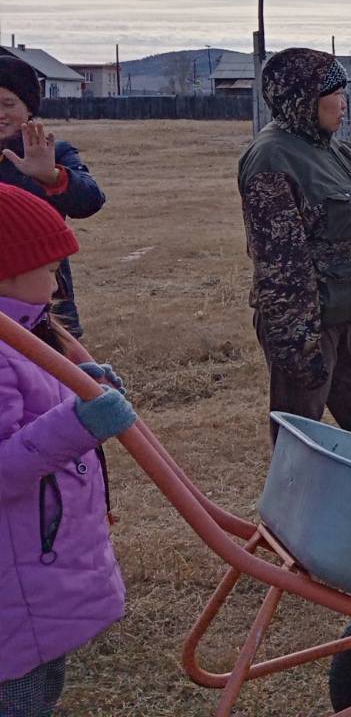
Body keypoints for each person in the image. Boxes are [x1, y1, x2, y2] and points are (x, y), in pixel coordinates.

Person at [0, 183, 137, 717]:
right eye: (49, 268)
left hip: (34, 564)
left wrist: (74, 382)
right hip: (16, 582)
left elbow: (30, 408)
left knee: (40, 682)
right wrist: (77, 421)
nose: (59, 283)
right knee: (22, 694)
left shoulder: (26, 334)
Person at [238, 48, 351, 444]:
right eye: (335, 92)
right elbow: (280, 265)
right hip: (304, 321)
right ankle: (292, 505)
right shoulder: (271, 159)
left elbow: (346, 221)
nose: (344, 102)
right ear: (303, 99)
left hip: (343, 315)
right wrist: (299, 344)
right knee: (300, 436)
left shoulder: (332, 148)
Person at [0, 56, 106, 338]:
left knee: (54, 371)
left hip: (43, 290)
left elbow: (90, 200)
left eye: (8, 104)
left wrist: (51, 176)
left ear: (29, 108)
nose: (0, 113)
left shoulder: (54, 153)